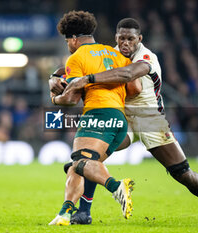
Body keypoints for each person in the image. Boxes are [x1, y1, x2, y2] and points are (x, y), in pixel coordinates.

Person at [49, 18, 198, 224]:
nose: (125, 44)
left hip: (150, 119)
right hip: (122, 118)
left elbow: (128, 74)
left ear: (139, 39)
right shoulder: (111, 54)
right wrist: (54, 77)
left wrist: (88, 79)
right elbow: (73, 65)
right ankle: (84, 212)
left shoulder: (147, 57)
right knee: (91, 158)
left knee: (182, 173)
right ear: (116, 38)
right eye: (121, 39)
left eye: (130, 39)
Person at [48, 11, 151, 226]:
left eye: (68, 40)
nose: (68, 45)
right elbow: (135, 87)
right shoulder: (115, 54)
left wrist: (55, 98)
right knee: (79, 164)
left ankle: (116, 186)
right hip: (119, 120)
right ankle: (66, 213)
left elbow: (72, 98)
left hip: (98, 114)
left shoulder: (76, 58)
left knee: (81, 160)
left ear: (74, 39)